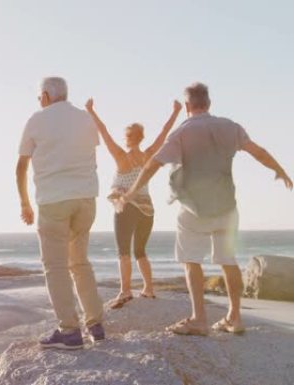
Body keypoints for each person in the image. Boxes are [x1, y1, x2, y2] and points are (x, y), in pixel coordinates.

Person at [122, 82, 293, 336]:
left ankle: (199, 319)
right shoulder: (230, 127)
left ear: (188, 106)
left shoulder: (181, 133)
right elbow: (259, 152)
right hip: (226, 206)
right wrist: (279, 171)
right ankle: (234, 318)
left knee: (191, 261)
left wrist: (131, 192)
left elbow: (152, 165)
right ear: (209, 104)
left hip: (193, 209)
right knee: (228, 260)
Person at [16, 77, 104, 349]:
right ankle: (95, 324)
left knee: (55, 268)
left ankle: (69, 331)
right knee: (79, 262)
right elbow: (92, 151)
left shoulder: (37, 119)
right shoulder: (85, 118)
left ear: (44, 95)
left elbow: (21, 167)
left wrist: (25, 204)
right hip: (86, 200)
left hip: (54, 201)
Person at [85, 99, 182, 309]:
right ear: (142, 138)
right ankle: (148, 289)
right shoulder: (148, 155)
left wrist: (91, 111)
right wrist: (175, 112)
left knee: (123, 252)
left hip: (126, 207)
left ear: (128, 139)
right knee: (140, 251)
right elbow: (164, 134)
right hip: (147, 210)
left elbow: (104, 132)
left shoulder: (120, 156)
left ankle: (125, 290)